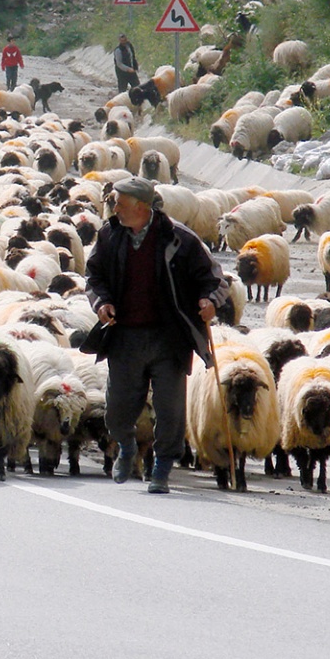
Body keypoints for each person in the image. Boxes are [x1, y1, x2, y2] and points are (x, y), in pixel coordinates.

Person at [83, 176, 229, 494]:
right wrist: (102, 302)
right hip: (124, 335)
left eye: (120, 204)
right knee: (117, 408)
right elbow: (93, 275)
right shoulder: (109, 235)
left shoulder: (180, 238)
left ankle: (162, 468)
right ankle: (125, 445)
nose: (115, 209)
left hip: (169, 337)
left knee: (169, 408)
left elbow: (215, 279)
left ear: (141, 207)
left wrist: (209, 301)